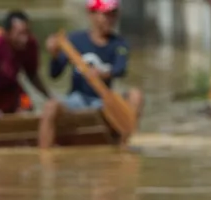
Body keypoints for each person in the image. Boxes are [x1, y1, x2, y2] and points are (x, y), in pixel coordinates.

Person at [38, 0, 144, 148]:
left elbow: (120, 70)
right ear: (92, 14)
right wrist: (54, 55)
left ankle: (124, 143)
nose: (110, 19)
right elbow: (54, 74)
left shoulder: (120, 44)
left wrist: (102, 74)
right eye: (105, 14)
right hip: (77, 99)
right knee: (50, 107)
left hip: (103, 101)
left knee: (136, 95)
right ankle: (45, 157)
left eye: (113, 14)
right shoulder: (74, 40)